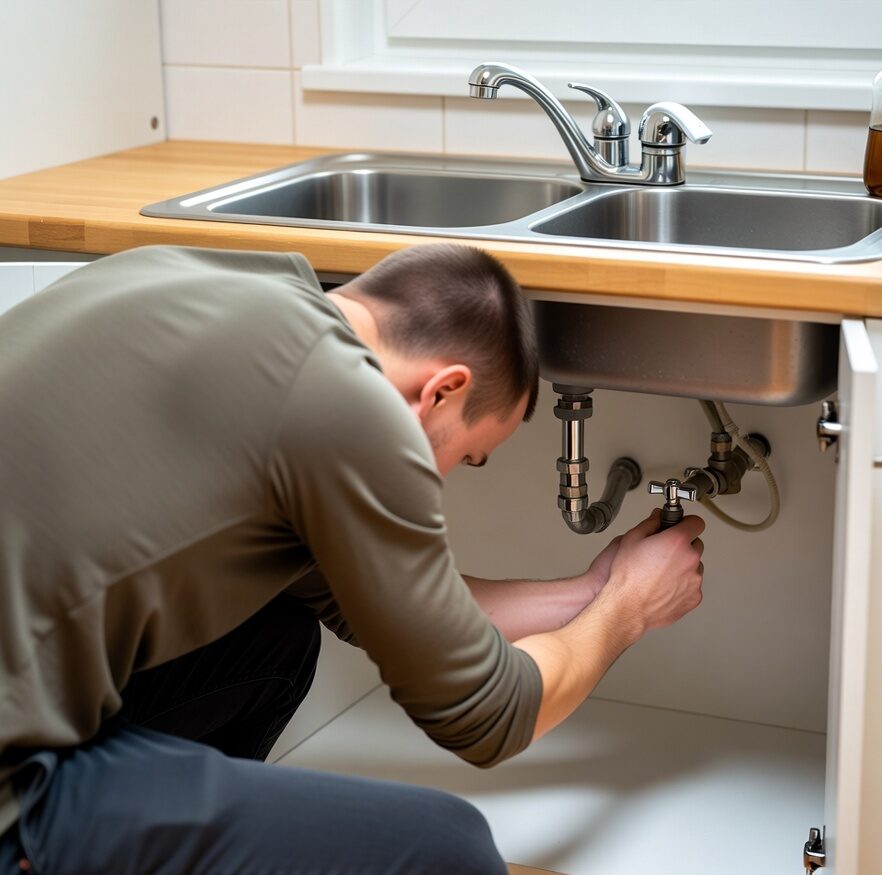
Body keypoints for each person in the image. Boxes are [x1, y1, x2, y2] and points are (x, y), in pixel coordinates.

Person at [0, 243, 704, 875]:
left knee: (273, 642)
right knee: (448, 849)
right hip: (13, 782)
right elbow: (487, 715)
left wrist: (595, 586)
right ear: (442, 391)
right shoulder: (345, 403)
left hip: (28, 699)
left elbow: (392, 610)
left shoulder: (216, 283)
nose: (447, 477)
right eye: (468, 454)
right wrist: (626, 612)